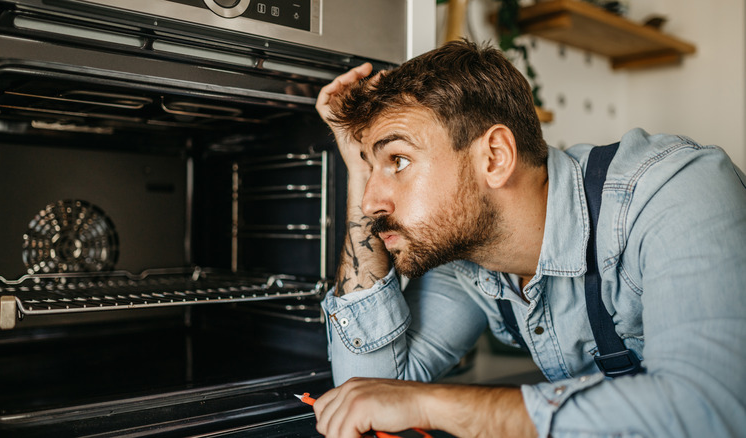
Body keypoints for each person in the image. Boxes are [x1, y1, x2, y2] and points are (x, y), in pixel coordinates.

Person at [311, 39, 746, 438]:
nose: (369, 203)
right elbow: (367, 392)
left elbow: (709, 410)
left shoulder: (674, 189)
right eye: (371, 168)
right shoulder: (468, 258)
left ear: (495, 157)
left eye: (399, 160)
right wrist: (356, 164)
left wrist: (435, 405)